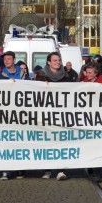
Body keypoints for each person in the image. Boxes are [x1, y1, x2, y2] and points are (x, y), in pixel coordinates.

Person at [36, 52, 73, 181]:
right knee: (47, 141)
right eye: (55, 60)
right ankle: (47, 169)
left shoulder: (66, 75)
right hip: (46, 113)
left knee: (61, 141)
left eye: (59, 60)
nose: (58, 62)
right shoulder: (41, 76)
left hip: (61, 113)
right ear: (49, 62)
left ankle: (61, 170)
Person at [0, 51, 28, 180]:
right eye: (5, 59)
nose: (6, 61)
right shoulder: (0, 74)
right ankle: (6, 170)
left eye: (9, 59)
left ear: (14, 60)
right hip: (5, 114)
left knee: (20, 141)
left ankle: (20, 169)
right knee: (6, 142)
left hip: (21, 113)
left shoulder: (23, 74)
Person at [80, 61, 102, 182]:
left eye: (90, 73)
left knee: (99, 144)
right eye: (86, 72)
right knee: (90, 144)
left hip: (100, 117)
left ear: (96, 73)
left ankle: (98, 170)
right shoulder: (82, 83)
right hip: (87, 118)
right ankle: (91, 168)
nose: (87, 74)